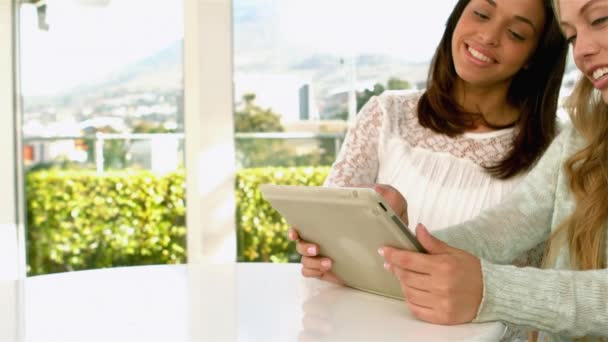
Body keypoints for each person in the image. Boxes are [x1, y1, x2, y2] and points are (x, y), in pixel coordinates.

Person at [288, 0, 567, 339]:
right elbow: (331, 226)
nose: (489, 36)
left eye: (516, 33)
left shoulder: (559, 147)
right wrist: (322, 251)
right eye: (481, 13)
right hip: (370, 330)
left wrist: (401, 243)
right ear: (456, 19)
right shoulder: (386, 114)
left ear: (534, 57)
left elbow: (543, 279)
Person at [344, 0, 607, 339]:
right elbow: (508, 224)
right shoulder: (586, 132)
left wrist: (491, 291)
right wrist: (398, 247)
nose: (583, 49)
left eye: (600, 19)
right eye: (571, 36)